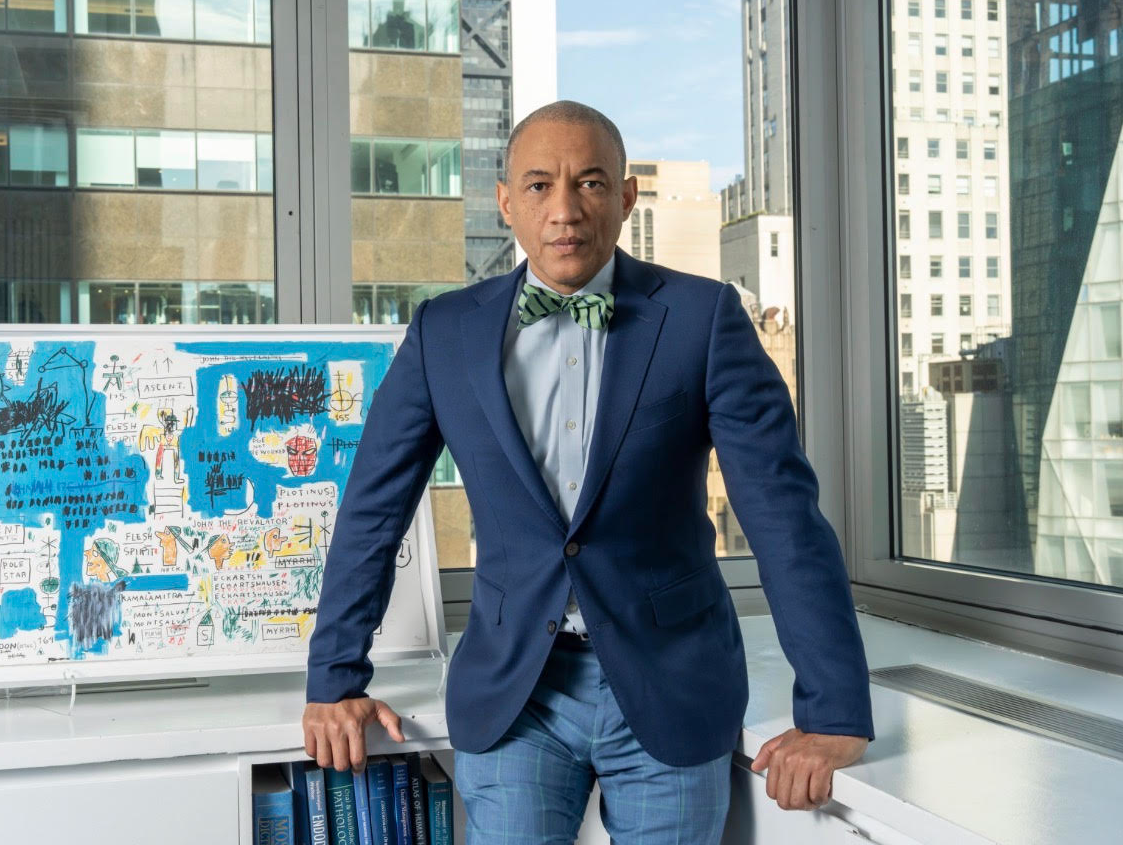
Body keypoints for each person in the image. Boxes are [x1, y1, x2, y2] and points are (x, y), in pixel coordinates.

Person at [303, 100, 874, 843]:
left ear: (627, 198)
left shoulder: (704, 320)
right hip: (517, 693)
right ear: (506, 201)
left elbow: (782, 516)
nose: (565, 210)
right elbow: (374, 511)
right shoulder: (443, 333)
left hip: (673, 681)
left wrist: (832, 712)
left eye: (592, 183)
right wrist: (335, 679)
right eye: (539, 185)